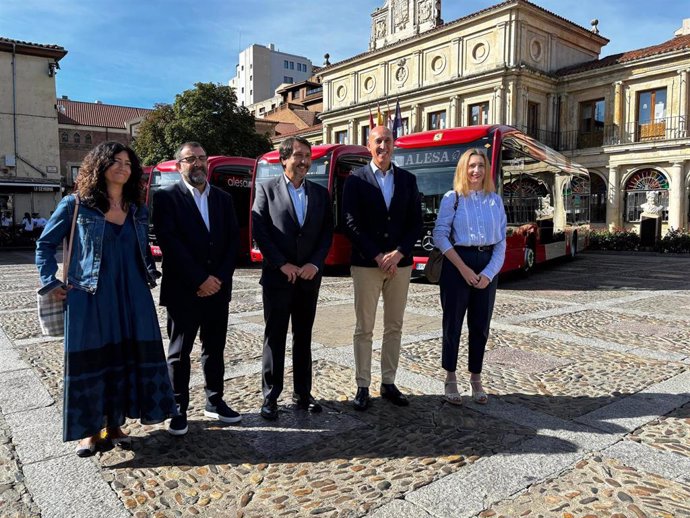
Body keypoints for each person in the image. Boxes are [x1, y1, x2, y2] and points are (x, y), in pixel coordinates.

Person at [35, 141, 177, 457]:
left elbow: (142, 251)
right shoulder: (75, 205)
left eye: (128, 162)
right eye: (115, 160)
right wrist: (50, 281)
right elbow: (44, 245)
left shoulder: (137, 210)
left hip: (133, 297)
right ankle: (89, 432)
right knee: (91, 361)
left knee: (125, 359)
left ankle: (114, 425)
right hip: (89, 297)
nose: (122, 167)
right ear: (100, 165)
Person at [152, 141, 241, 436]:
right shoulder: (166, 198)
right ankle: (177, 407)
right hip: (183, 290)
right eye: (190, 159)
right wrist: (200, 279)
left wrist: (217, 279)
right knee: (179, 352)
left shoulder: (223, 199)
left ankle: (215, 400)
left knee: (214, 349)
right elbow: (170, 244)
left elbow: (232, 243)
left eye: (202, 158)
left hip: (218, 290)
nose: (198, 164)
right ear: (179, 166)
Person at [251, 136, 334, 420]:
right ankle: (270, 396)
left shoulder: (320, 194)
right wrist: (281, 264)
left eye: (307, 156)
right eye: (298, 156)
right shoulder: (266, 190)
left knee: (303, 336)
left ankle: (303, 393)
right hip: (278, 278)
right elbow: (260, 230)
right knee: (274, 337)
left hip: (309, 279)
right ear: (283, 159)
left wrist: (315, 263)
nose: (304, 161)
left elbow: (326, 233)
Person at [342, 125, 423, 411]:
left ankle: (388, 382)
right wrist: (378, 255)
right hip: (367, 264)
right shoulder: (355, 180)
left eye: (388, 141)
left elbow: (416, 222)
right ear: (369, 146)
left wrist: (399, 252)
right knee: (364, 327)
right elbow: (350, 223)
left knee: (395, 326)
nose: (383, 146)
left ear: (393, 145)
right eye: (378, 141)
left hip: (400, 266)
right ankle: (362, 385)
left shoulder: (408, 180)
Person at [432, 148, 507, 406]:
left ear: (486, 170)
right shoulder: (452, 198)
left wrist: (488, 273)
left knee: (480, 327)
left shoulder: (495, 201)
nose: (476, 171)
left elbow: (501, 242)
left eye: (480, 166)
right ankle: (450, 375)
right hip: (457, 264)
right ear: (463, 169)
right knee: (452, 324)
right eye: (471, 166)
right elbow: (440, 235)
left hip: (487, 265)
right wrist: (463, 268)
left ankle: (476, 376)